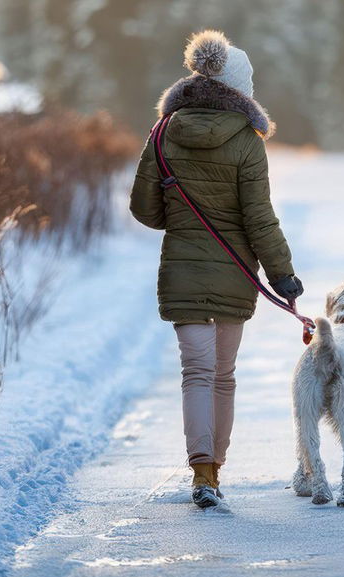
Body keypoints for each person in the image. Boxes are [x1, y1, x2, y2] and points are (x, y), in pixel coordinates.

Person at [130, 30, 303, 509]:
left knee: (195, 373)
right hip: (233, 272)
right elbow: (259, 218)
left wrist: (181, 219)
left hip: (181, 271)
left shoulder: (163, 132)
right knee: (222, 375)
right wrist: (283, 276)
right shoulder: (247, 141)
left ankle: (201, 472)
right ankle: (215, 474)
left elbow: (145, 210)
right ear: (239, 88)